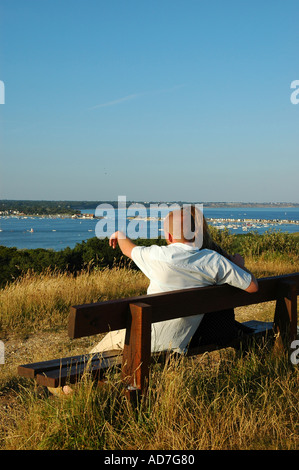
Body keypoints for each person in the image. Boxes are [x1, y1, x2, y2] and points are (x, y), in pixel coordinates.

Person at [90, 206, 258, 356]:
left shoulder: (156, 255)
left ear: (169, 236)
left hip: (146, 336)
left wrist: (119, 235)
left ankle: (69, 387)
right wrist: (239, 266)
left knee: (94, 355)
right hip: (179, 341)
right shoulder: (213, 260)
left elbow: (128, 249)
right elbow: (253, 287)